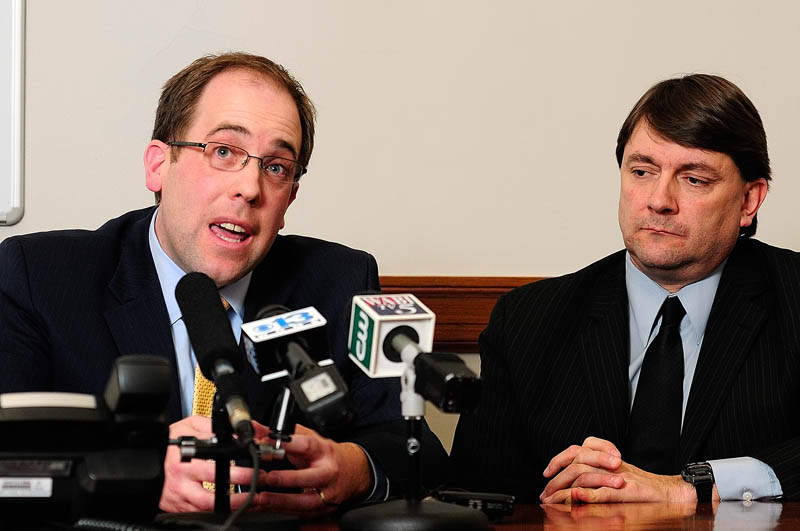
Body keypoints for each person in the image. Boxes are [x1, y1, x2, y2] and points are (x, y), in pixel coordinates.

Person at [0, 52, 446, 514]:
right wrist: (139, 472)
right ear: (159, 165)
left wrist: (351, 468)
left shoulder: (337, 281)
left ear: (290, 196)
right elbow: (10, 461)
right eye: (224, 151)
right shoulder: (42, 277)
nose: (250, 188)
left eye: (275, 167)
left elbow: (419, 451)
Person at [450, 73, 800, 505]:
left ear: (749, 200)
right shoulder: (527, 322)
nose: (658, 200)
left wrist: (689, 488)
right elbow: (473, 496)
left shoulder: (793, 298)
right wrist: (557, 501)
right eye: (642, 171)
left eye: (693, 179)